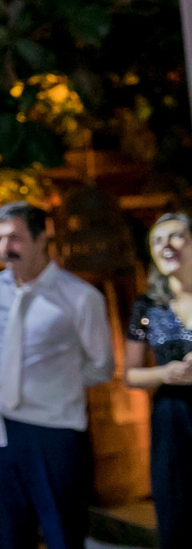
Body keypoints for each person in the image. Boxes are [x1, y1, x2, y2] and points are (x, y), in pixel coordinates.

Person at [0, 201, 113, 549]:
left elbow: (101, 366)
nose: (6, 248)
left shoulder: (81, 297)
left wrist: (57, 385)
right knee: (5, 536)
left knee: (61, 534)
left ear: (41, 239)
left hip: (53, 431)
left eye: (15, 238)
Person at [125, 212, 192, 549]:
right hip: (172, 415)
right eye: (156, 240)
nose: (165, 245)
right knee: (177, 510)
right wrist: (166, 373)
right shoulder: (147, 305)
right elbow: (131, 374)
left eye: (175, 236)